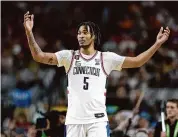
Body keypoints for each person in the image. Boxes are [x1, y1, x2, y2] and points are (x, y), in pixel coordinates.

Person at [23, 11, 170, 137]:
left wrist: (157, 44)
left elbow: (137, 61)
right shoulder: (69, 56)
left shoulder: (105, 58)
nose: (80, 36)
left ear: (93, 36)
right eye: (79, 33)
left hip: (97, 120)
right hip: (74, 120)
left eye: (85, 32)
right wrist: (29, 32)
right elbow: (39, 56)